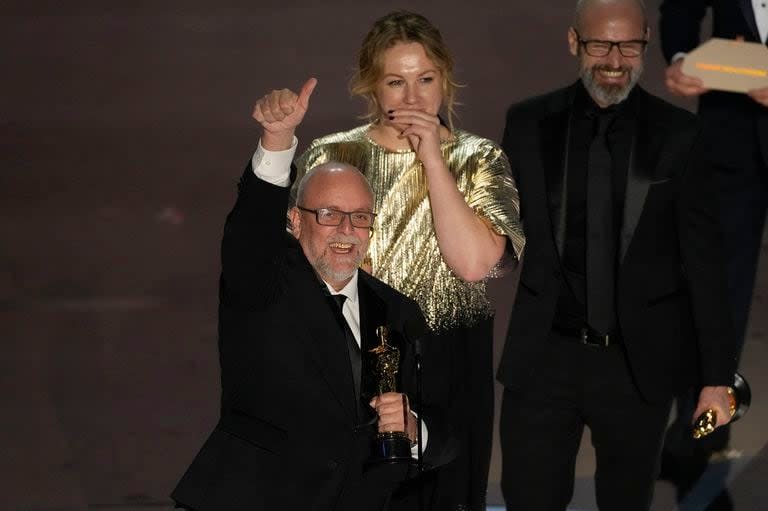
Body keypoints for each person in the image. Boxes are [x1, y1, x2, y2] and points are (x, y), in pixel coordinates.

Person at [252, 11, 525, 511]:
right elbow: (299, 263)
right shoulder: (333, 156)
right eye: (396, 83)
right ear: (371, 88)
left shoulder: (479, 157)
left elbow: (475, 264)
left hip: (450, 358)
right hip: (353, 352)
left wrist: (434, 162)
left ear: (445, 79)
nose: (414, 98)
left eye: (426, 80)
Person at [497, 0, 738, 509]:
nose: (614, 58)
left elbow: (706, 264)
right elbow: (497, 232)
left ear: (647, 42)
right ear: (573, 42)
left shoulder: (682, 134)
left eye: (629, 45)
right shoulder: (525, 124)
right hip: (544, 357)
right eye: (600, 44)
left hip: (638, 366)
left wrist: (716, 380)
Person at [170, 104, 455, 510]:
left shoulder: (397, 312)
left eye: (359, 217)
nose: (346, 230)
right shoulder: (264, 286)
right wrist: (277, 141)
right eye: (328, 214)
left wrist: (414, 429)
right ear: (294, 222)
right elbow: (250, 231)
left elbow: (445, 433)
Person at [658, 2, 768, 501]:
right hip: (731, 135)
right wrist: (681, 54)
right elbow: (681, 5)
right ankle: (700, 437)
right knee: (715, 286)